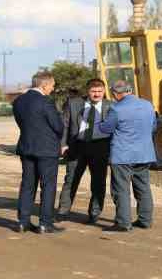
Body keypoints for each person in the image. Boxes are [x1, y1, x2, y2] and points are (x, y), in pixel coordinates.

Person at [98, 80, 156, 232]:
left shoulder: (116, 109)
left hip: (123, 155)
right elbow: (154, 126)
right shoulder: (147, 105)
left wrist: (100, 123)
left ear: (116, 94)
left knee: (121, 189)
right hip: (144, 153)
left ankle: (123, 223)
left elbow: (107, 129)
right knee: (143, 188)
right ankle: (145, 220)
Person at [12, 71, 65, 234]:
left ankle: (23, 221)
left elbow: (21, 123)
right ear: (44, 85)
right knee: (48, 186)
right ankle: (45, 223)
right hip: (47, 150)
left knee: (27, 185)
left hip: (26, 147)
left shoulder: (18, 101)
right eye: (52, 85)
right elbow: (58, 126)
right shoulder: (45, 101)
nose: (53, 89)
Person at [56, 78, 112, 224]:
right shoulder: (74, 103)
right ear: (87, 91)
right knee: (71, 180)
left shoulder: (110, 106)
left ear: (104, 91)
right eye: (93, 91)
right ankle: (62, 211)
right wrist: (63, 144)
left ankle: (94, 213)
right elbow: (65, 125)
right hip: (77, 146)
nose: (97, 94)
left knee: (98, 182)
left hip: (100, 148)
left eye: (100, 91)